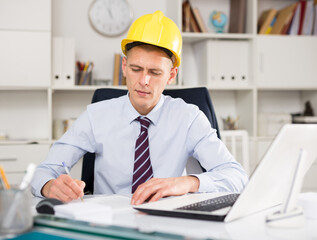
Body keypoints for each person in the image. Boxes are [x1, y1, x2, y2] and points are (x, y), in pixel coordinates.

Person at [31, 11, 248, 205]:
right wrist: (50, 186)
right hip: (109, 222)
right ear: (124, 66)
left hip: (167, 220)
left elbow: (236, 176)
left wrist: (187, 182)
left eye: (155, 72)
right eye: (136, 69)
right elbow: (44, 172)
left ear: (171, 75)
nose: (144, 80)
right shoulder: (96, 116)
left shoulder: (188, 117)